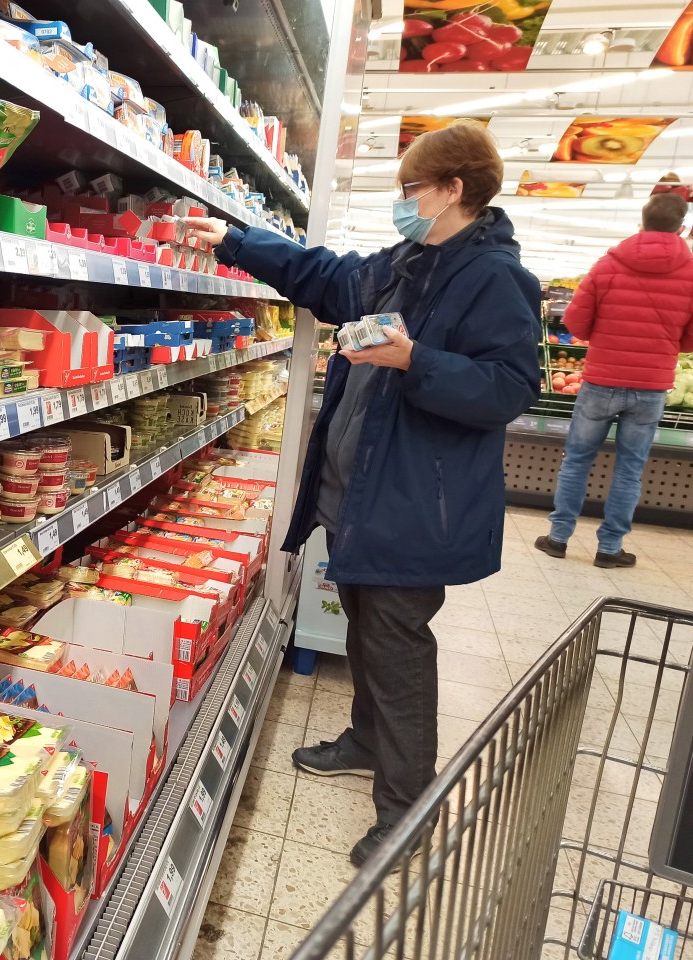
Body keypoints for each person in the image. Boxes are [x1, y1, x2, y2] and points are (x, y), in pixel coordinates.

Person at [185, 120, 541, 867]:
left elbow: (509, 390)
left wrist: (417, 360)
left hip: (416, 504)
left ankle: (406, 814)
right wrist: (235, 239)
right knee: (362, 626)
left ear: (453, 189)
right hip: (360, 496)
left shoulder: (496, 278)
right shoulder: (405, 263)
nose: (402, 202)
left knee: (398, 648)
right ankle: (364, 740)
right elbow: (326, 276)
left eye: (411, 189)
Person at [536, 192, 693, 568]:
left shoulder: (608, 266)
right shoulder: (690, 273)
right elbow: (689, 338)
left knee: (576, 461)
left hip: (601, 381)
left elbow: (574, 322)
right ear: (683, 228)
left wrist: (604, 336)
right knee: (630, 468)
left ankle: (558, 538)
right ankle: (610, 548)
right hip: (652, 387)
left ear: (640, 224)